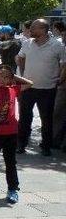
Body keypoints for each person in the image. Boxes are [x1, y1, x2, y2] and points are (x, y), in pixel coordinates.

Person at [16, 19, 66, 156]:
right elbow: (20, 58)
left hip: (48, 89)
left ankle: (46, 146)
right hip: (28, 88)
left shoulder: (57, 45)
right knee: (25, 118)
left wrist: (59, 80)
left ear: (43, 30)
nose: (30, 30)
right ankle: (21, 144)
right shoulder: (27, 43)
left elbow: (63, 64)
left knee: (47, 119)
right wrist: (23, 76)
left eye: (33, 28)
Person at [0, 65, 32, 204]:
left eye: (5, 77)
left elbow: (30, 84)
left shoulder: (13, 89)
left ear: (10, 79)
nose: (1, 79)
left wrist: (13, 77)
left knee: (10, 162)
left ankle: (12, 189)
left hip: (11, 132)